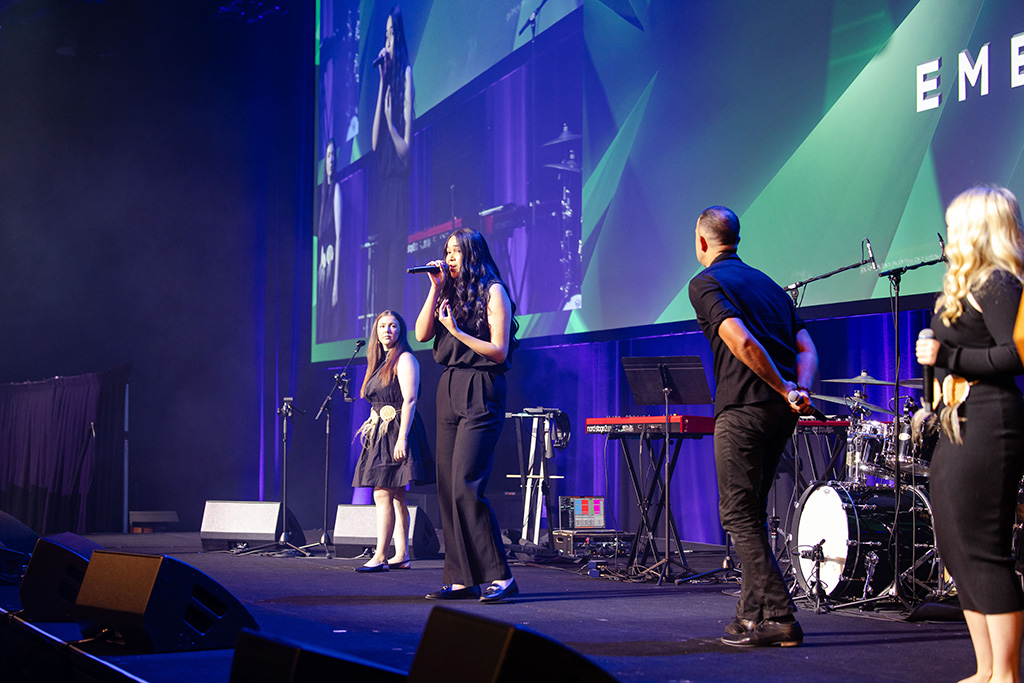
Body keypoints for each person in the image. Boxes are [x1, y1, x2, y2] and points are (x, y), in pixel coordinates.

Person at [688, 205, 818, 647]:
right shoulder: (771, 287)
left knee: (737, 515)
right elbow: (806, 347)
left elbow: (740, 340)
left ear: (702, 242)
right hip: (780, 413)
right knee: (752, 515)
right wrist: (797, 389)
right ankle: (749, 614)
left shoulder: (706, 282)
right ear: (736, 239)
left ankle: (780, 616)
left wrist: (783, 386)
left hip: (743, 409)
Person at [915, 185, 1024, 683]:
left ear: (977, 228)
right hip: (958, 419)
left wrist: (949, 356)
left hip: (990, 420)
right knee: (956, 547)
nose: (948, 234)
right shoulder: (963, 285)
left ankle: (1006, 674)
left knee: (982, 548)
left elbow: (1016, 355)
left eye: (955, 225)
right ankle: (985, 669)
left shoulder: (999, 282)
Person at [414, 228, 519, 603]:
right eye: (447, 251)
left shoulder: (494, 291)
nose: (449, 257)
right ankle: (461, 578)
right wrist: (434, 288)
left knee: (465, 485)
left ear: (473, 254)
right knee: (446, 486)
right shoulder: (448, 292)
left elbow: (499, 351)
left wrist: (456, 331)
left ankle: (501, 576)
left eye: (456, 251)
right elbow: (421, 334)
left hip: (482, 385)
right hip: (449, 386)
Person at [352, 310, 434, 572]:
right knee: (396, 495)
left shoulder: (405, 359)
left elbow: (409, 400)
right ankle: (402, 555)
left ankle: (380, 556)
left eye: (393, 326)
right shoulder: (379, 362)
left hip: (398, 430)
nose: (387, 330)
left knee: (382, 493)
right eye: (382, 326)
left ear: (401, 330)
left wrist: (402, 439)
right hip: (380, 433)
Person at [369, 5, 414, 320]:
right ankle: (379, 335)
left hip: (399, 188)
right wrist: (382, 83)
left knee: (394, 270)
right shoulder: (387, 83)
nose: (387, 41)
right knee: (380, 266)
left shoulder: (407, 75)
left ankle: (396, 333)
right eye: (385, 35)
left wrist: (391, 122)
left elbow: (406, 151)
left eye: (391, 34)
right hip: (383, 190)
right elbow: (374, 144)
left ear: (399, 37)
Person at [317, 138, 342, 343]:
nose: (331, 160)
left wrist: (335, 285)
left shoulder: (336, 190)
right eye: (328, 155)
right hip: (322, 269)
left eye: (334, 155)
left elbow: (339, 237)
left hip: (333, 267)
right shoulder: (322, 194)